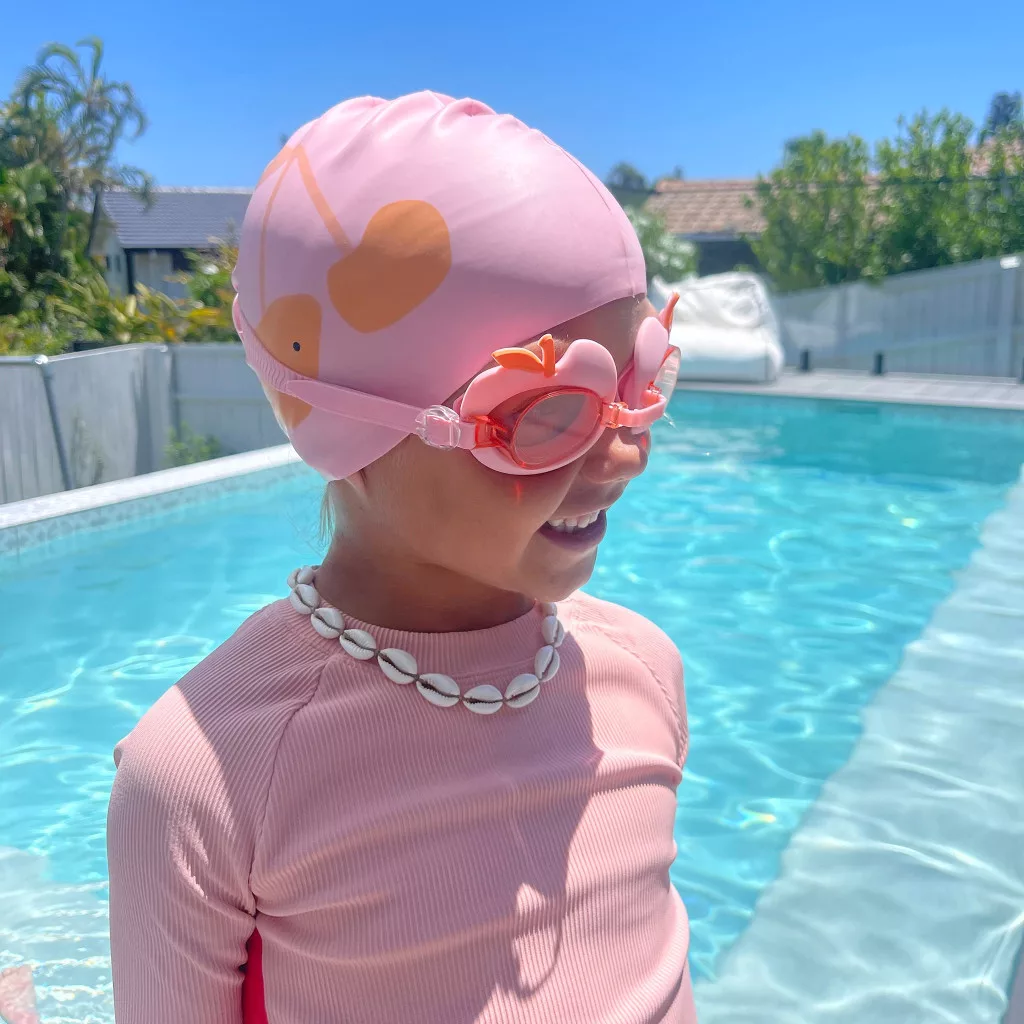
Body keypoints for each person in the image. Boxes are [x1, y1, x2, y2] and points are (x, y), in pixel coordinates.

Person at [106, 91, 695, 1023]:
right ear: (350, 424)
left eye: (641, 379)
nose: (626, 453)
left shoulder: (643, 674)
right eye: (551, 412)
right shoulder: (207, 778)